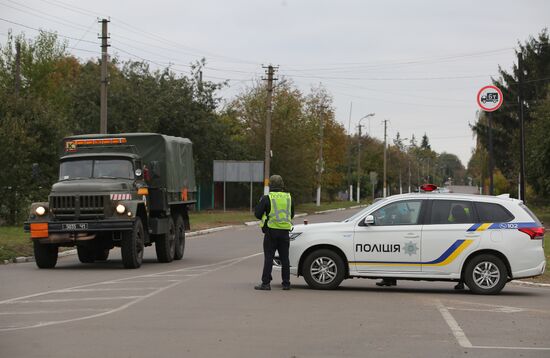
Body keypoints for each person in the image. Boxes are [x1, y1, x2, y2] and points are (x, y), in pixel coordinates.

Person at [254, 175, 294, 291]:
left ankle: (266, 283)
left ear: (270, 185)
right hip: (285, 232)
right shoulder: (289, 198)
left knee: (269, 257)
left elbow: (257, 214)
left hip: (271, 231)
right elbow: (291, 214)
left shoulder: (267, 198)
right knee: (285, 258)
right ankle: (286, 283)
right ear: (282, 185)